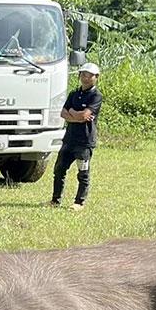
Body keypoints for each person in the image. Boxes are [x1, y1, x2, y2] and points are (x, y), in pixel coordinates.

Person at [51, 62, 102, 211]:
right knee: (59, 169)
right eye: (83, 74)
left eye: (89, 75)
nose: (85, 78)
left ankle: (79, 202)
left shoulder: (96, 96)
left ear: (96, 77)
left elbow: (84, 115)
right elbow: (63, 113)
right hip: (69, 139)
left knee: (83, 172)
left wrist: (72, 113)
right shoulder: (74, 94)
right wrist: (76, 116)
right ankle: (55, 200)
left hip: (84, 141)